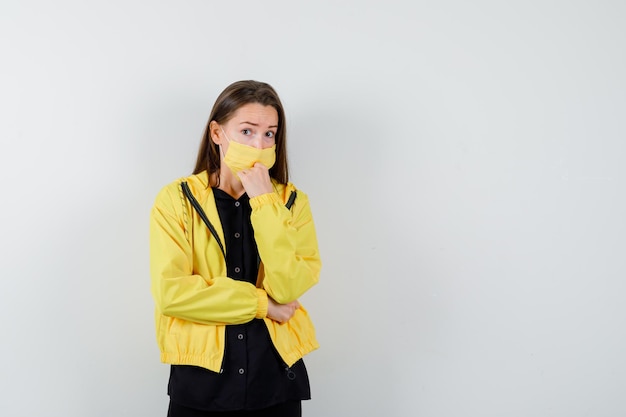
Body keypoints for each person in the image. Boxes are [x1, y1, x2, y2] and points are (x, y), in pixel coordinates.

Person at [149, 80, 321, 417]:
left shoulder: (292, 202)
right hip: (201, 384)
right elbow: (173, 294)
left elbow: (288, 287)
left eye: (270, 134)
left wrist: (264, 202)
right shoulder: (176, 201)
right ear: (217, 134)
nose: (259, 144)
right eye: (247, 131)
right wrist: (262, 305)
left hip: (276, 382)